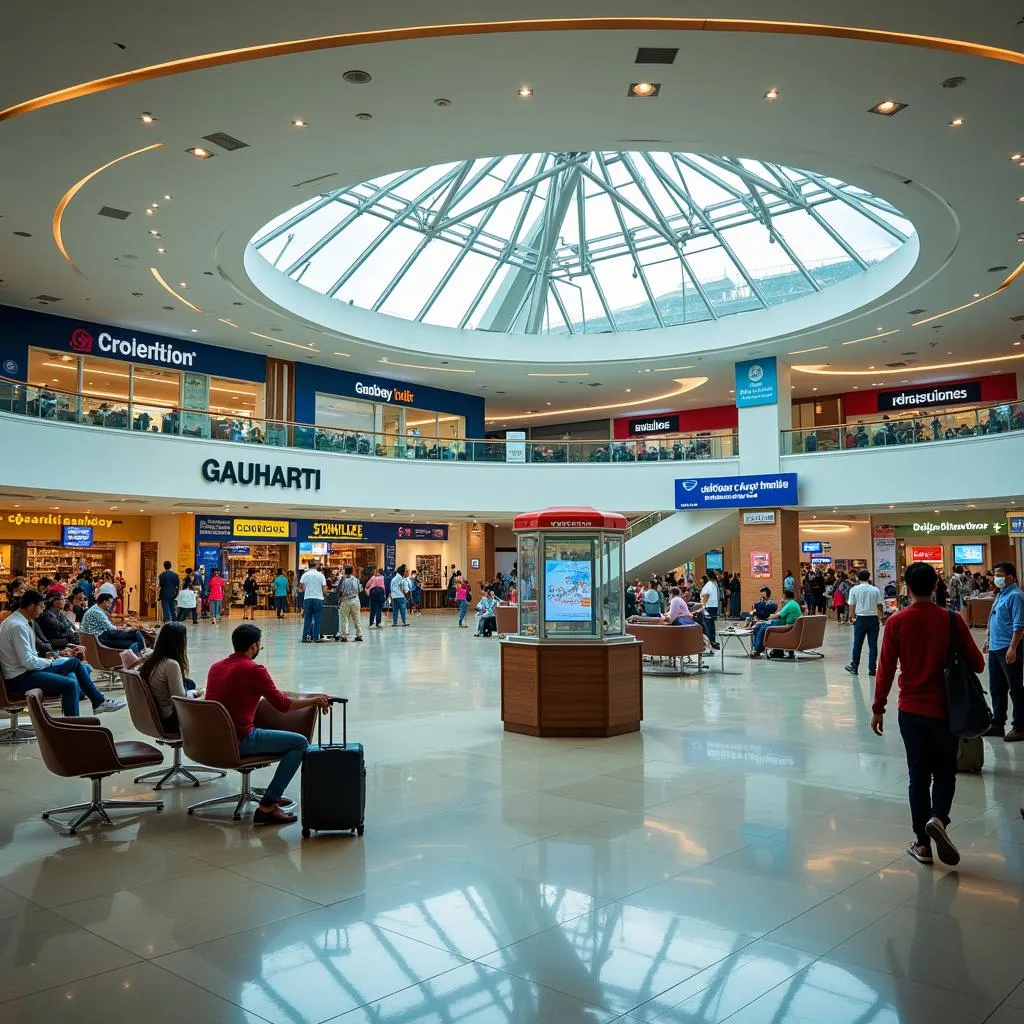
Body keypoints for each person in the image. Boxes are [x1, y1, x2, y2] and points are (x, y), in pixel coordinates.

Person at [872, 562, 985, 867]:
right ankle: (938, 818)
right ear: (936, 586)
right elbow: (978, 664)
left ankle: (922, 846)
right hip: (946, 712)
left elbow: (884, 671)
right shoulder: (951, 620)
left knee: (917, 776)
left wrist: (878, 708)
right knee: (945, 772)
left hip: (910, 711)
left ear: (906, 587)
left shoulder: (896, 622)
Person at [205, 624, 329, 826]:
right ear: (254, 646)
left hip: (215, 739)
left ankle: (270, 802)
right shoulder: (254, 669)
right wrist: (314, 700)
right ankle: (269, 804)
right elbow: (282, 704)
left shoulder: (216, 667)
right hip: (241, 739)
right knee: (299, 743)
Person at [0, 590, 124, 715]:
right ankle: (83, 716)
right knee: (71, 681)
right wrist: (50, 661)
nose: (42, 610)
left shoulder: (17, 622)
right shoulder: (18, 626)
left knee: (73, 668)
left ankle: (93, 707)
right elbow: (28, 661)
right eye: (41, 606)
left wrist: (53, 655)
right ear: (32, 605)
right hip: (20, 677)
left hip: (23, 671)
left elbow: (28, 656)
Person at [983, 561, 1024, 742]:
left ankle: (1021, 726)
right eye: (995, 574)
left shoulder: (1016, 595)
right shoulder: (1001, 594)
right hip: (995, 648)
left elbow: (1019, 624)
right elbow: (995, 619)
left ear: (1010, 577)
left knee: (1015, 689)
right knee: (996, 688)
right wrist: (988, 639)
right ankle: (998, 723)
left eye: (999, 575)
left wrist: (1013, 647)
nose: (996, 578)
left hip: (1009, 648)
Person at [139, 621, 201, 732]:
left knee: (189, 682)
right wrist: (198, 694)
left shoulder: (152, 659)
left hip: (156, 714)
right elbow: (179, 698)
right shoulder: (171, 664)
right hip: (170, 719)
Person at [845, 570, 884, 677]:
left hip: (860, 619)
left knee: (857, 644)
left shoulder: (854, 589)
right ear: (869, 577)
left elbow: (851, 605)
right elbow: (879, 605)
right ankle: (872, 669)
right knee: (873, 645)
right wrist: (881, 617)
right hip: (873, 619)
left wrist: (851, 618)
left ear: (858, 578)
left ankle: (855, 666)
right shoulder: (875, 590)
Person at [80, 593, 148, 654]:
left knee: (134, 634)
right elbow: (112, 628)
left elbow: (111, 624)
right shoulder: (97, 612)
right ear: (104, 602)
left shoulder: (96, 608)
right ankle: (139, 652)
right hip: (101, 639)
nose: (110, 605)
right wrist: (125, 628)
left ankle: (142, 648)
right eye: (109, 603)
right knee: (134, 637)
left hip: (100, 636)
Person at [750, 588, 802, 657]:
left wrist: (764, 618)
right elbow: (781, 613)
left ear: (784, 596)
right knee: (762, 624)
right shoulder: (794, 603)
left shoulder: (790, 605)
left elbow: (778, 615)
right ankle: (774, 651)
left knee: (761, 626)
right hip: (790, 626)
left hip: (785, 626)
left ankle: (757, 650)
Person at [300, 561, 327, 642]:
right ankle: (316, 638)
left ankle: (305, 638)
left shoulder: (305, 575)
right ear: (316, 566)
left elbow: (301, 587)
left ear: (309, 566)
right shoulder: (320, 575)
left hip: (307, 598)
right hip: (318, 599)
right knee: (317, 619)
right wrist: (325, 595)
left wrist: (307, 591)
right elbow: (324, 588)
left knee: (307, 618)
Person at [336, 565, 363, 641]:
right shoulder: (356, 580)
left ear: (345, 571)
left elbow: (339, 590)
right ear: (352, 571)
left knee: (344, 619)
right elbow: (360, 590)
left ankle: (344, 636)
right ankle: (359, 635)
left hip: (345, 601)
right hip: (355, 601)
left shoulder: (342, 580)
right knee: (357, 618)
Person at [699, 573, 720, 648]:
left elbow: (706, 595)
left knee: (708, 625)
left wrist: (703, 606)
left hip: (708, 607)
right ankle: (712, 641)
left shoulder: (709, 585)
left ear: (708, 577)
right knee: (711, 625)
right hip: (713, 607)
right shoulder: (714, 585)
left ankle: (709, 642)